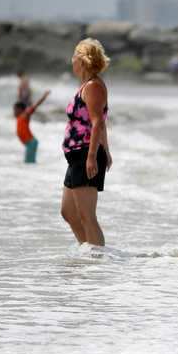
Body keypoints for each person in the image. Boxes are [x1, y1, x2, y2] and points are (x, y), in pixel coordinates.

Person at [61, 38, 113, 248]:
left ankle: (98, 260)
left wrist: (94, 156)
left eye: (74, 56)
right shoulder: (86, 85)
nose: (71, 60)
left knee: (87, 216)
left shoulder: (93, 86)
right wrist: (106, 151)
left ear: (82, 60)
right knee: (68, 213)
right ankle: (88, 251)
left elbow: (98, 122)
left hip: (85, 154)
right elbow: (100, 121)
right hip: (76, 156)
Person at [13, 90, 50, 163]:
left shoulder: (24, 115)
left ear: (20, 109)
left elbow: (35, 106)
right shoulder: (19, 117)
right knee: (29, 163)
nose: (13, 111)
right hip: (29, 144)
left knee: (29, 163)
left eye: (15, 109)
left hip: (31, 143)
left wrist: (43, 97)